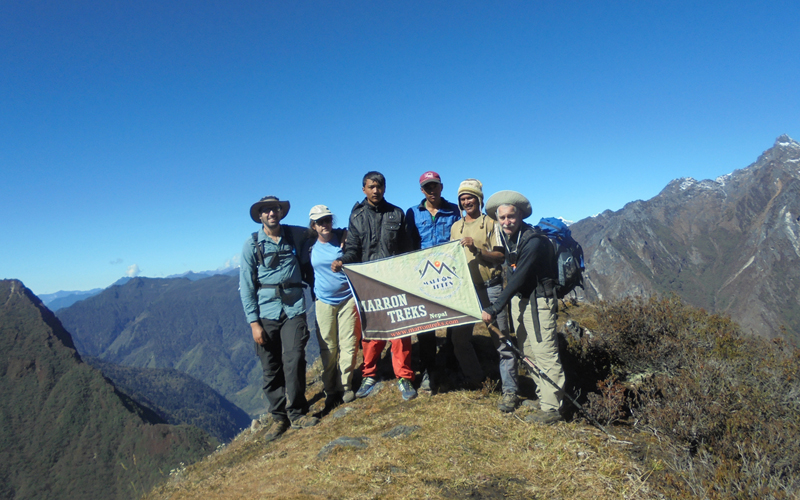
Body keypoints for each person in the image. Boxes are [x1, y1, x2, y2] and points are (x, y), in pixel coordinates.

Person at [481, 191, 566, 424]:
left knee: (544, 351)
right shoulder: (510, 239)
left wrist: (495, 307)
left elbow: (519, 277)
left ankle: (552, 409)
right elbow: (512, 272)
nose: (507, 222)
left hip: (539, 301)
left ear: (520, 216)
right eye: (502, 218)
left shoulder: (533, 241)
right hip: (521, 300)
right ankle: (543, 396)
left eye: (511, 217)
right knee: (527, 349)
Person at [331, 171, 417, 401]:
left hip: (394, 281)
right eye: (371, 187)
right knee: (371, 332)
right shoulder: (357, 216)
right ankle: (370, 374)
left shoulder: (396, 213)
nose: (375, 191)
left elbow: (406, 250)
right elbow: (353, 249)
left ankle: (405, 377)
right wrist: (343, 261)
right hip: (367, 283)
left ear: (385, 188)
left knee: (401, 331)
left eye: (379, 187)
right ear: (364, 189)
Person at [239, 195, 318, 443]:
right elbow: (245, 285)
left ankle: (297, 413)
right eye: (266, 210)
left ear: (281, 212)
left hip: (294, 308)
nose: (272, 213)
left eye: (275, 209)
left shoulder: (295, 234)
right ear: (260, 216)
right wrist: (254, 323)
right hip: (266, 313)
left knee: (294, 358)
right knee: (270, 367)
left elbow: (318, 231)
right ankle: (279, 417)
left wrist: (343, 235)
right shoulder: (251, 245)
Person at [448, 179, 518, 403]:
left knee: (502, 339)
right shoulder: (455, 227)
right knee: (459, 339)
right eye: (462, 198)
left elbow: (500, 256)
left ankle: (510, 391)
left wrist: (477, 250)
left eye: (470, 197)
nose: (466, 201)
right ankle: (477, 380)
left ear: (479, 199)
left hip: (491, 287)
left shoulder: (490, 223)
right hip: (465, 289)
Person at [405, 171, 461, 392]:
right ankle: (429, 369)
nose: (431, 190)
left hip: (450, 272)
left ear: (441, 187)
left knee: (454, 318)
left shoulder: (453, 211)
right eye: (427, 187)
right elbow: (408, 243)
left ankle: (451, 359)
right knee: (426, 323)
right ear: (422, 190)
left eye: (435, 186)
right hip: (423, 276)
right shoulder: (412, 213)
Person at [305, 205, 360, 408]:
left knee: (349, 343)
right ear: (314, 226)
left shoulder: (343, 238)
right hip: (324, 301)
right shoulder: (308, 245)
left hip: (348, 298)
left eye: (327, 220)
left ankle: (345, 385)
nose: (325, 224)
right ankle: (330, 389)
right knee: (328, 347)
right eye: (320, 222)